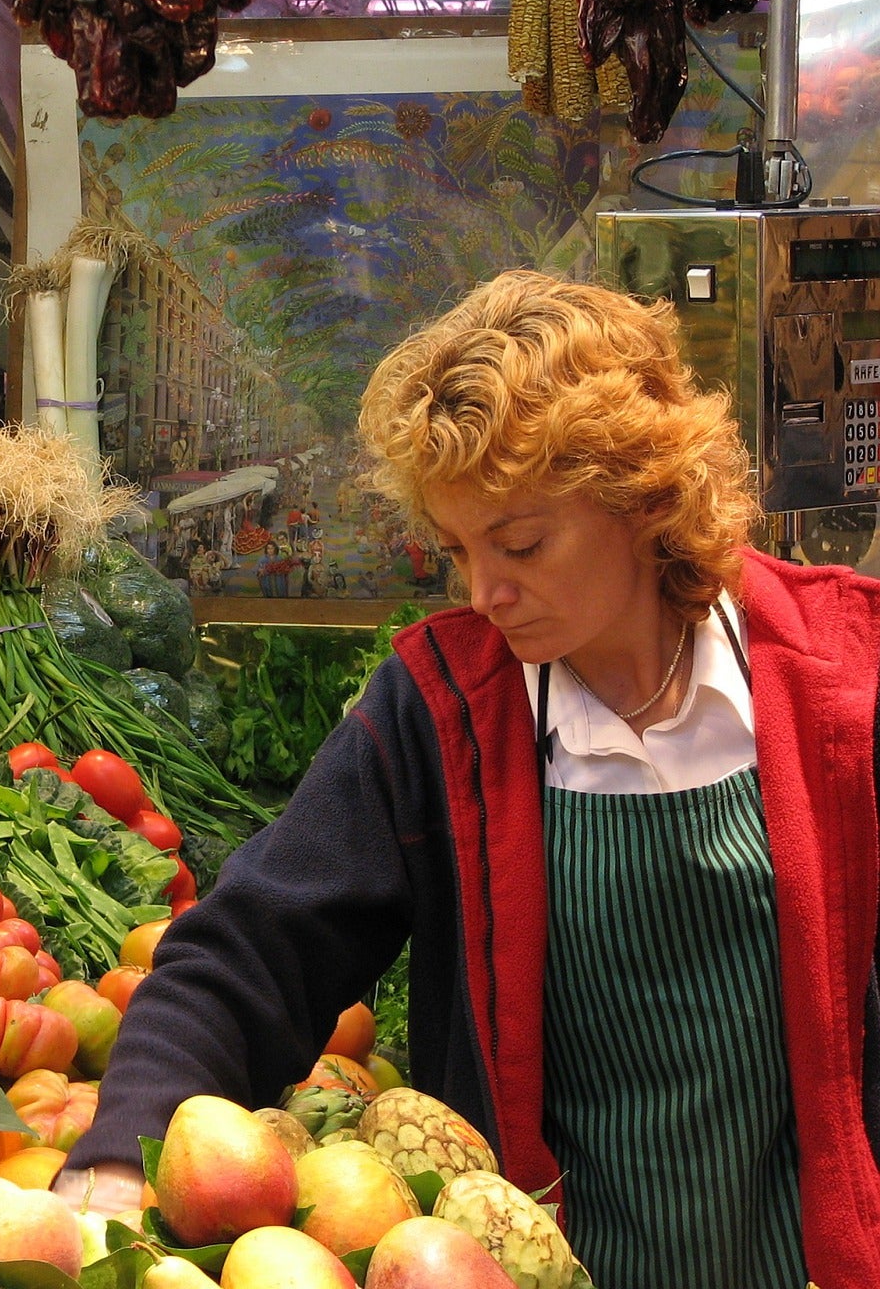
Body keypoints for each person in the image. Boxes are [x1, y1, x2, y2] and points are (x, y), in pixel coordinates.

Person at [56, 271, 880, 1289]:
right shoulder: (440, 711)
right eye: (458, 549)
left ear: (642, 494)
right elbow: (251, 956)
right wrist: (114, 1152)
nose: (486, 592)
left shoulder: (840, 679)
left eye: (522, 542)